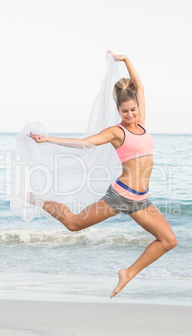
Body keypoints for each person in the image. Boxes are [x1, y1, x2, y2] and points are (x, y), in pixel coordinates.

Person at [29, 50, 177, 298]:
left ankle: (127, 273)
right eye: (125, 111)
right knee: (74, 224)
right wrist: (47, 140)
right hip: (121, 195)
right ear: (118, 110)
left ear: (138, 108)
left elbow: (139, 86)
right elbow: (84, 143)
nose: (130, 115)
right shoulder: (116, 132)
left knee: (169, 241)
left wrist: (126, 60)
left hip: (141, 200)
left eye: (133, 110)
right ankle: (36, 199)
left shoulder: (142, 124)